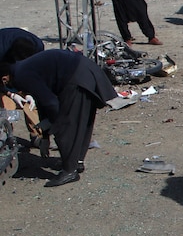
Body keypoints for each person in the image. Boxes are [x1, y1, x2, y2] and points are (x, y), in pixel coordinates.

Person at [0, 49, 117, 187]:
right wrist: (44, 136)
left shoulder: (21, 76)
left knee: (66, 126)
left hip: (75, 77)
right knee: (81, 121)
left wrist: (55, 126)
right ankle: (76, 162)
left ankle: (69, 170)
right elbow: (42, 100)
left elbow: (50, 103)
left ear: (4, 78)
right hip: (83, 71)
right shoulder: (21, 68)